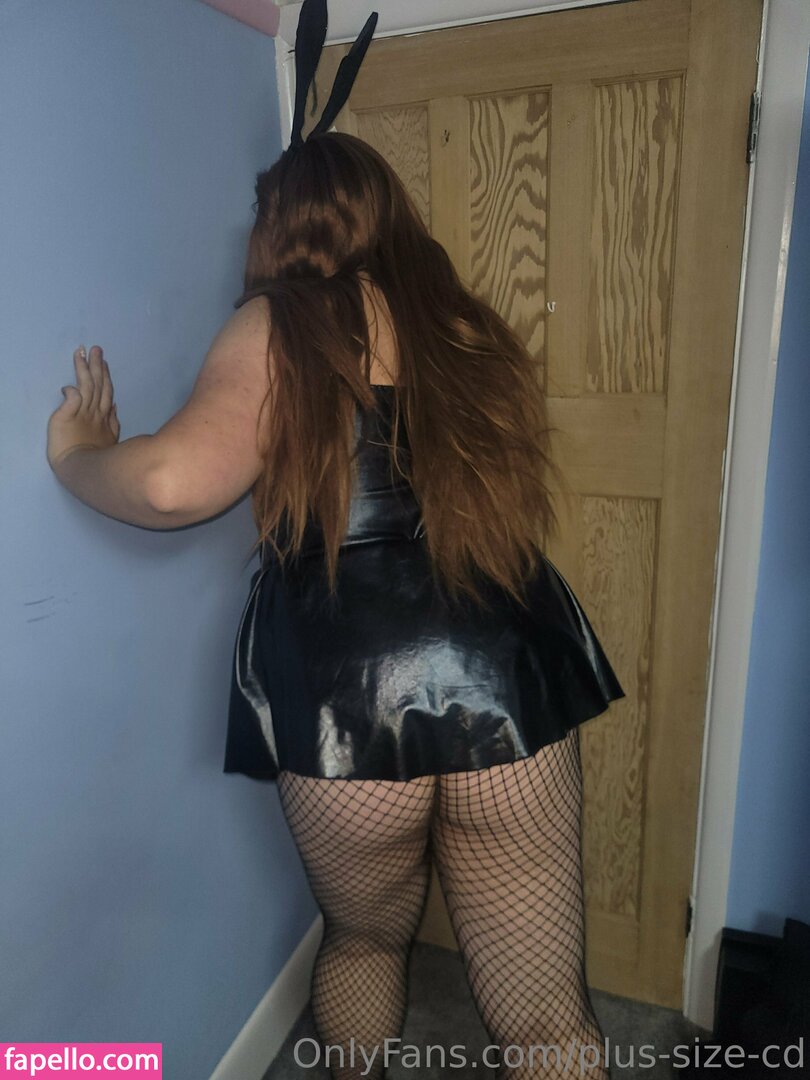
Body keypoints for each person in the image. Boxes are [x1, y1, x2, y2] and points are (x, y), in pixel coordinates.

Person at [46, 3, 625, 1078]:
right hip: (505, 670)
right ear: (386, 217)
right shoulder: (456, 321)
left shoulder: (280, 321)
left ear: (277, 232)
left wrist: (79, 454)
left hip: (350, 693)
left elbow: (171, 485)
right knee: (548, 1014)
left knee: (364, 941)